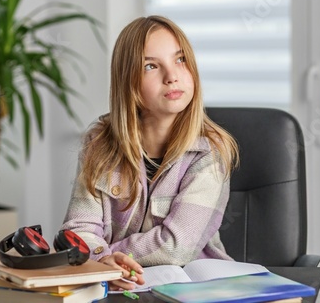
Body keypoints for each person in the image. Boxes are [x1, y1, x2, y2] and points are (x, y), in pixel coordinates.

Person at [61, 15, 239, 291]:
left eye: (180, 60)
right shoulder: (99, 143)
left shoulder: (210, 153)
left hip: (195, 289)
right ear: (127, 81)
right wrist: (101, 259)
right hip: (121, 289)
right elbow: (78, 228)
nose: (172, 76)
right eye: (151, 66)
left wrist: (108, 256)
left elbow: (175, 247)